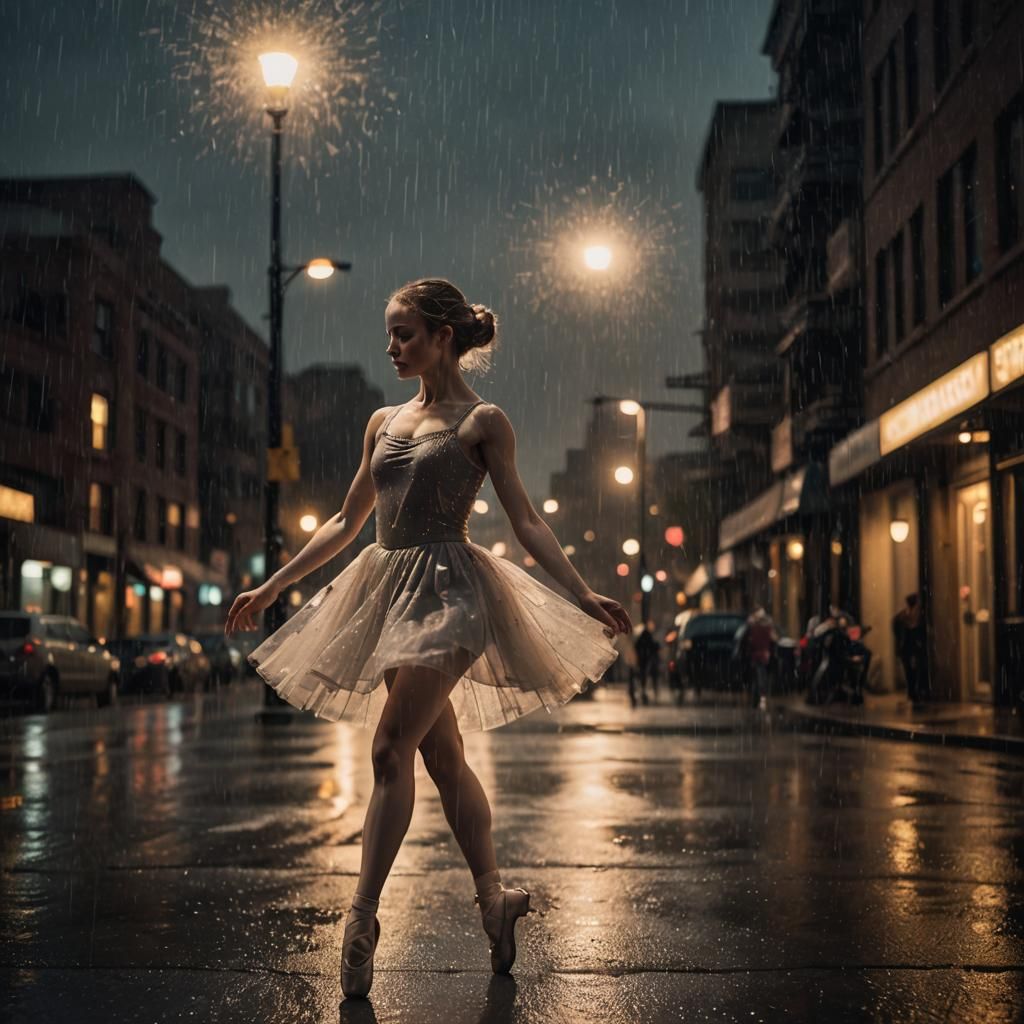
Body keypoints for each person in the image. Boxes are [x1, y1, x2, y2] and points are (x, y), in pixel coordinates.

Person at [224, 278, 631, 1000]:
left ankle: (361, 920)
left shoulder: (485, 421)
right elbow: (348, 522)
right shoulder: (381, 421)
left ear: (444, 335)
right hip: (387, 591)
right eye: (389, 333)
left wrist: (581, 592)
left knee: (388, 748)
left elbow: (528, 522)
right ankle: (494, 901)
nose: (392, 347)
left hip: (453, 593)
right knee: (441, 756)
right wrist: (274, 585)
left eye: (405, 333)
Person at [893, 593, 928, 709]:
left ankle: (914, 693)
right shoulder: (903, 617)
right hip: (908, 647)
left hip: (913, 647)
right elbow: (898, 629)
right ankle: (913, 693)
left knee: (915, 670)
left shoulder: (914, 616)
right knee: (910, 671)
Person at [741, 607, 778, 708]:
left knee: (757, 677)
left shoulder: (752, 626)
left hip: (756, 654)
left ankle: (757, 697)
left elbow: (746, 641)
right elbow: (773, 640)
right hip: (763, 654)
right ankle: (760, 696)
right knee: (761, 676)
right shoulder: (767, 626)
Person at [632, 622, 658, 707]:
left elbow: (636, 647)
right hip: (645, 660)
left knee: (641, 676)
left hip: (641, 660)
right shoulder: (648, 637)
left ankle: (642, 691)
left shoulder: (639, 639)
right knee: (645, 676)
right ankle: (644, 691)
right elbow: (654, 647)